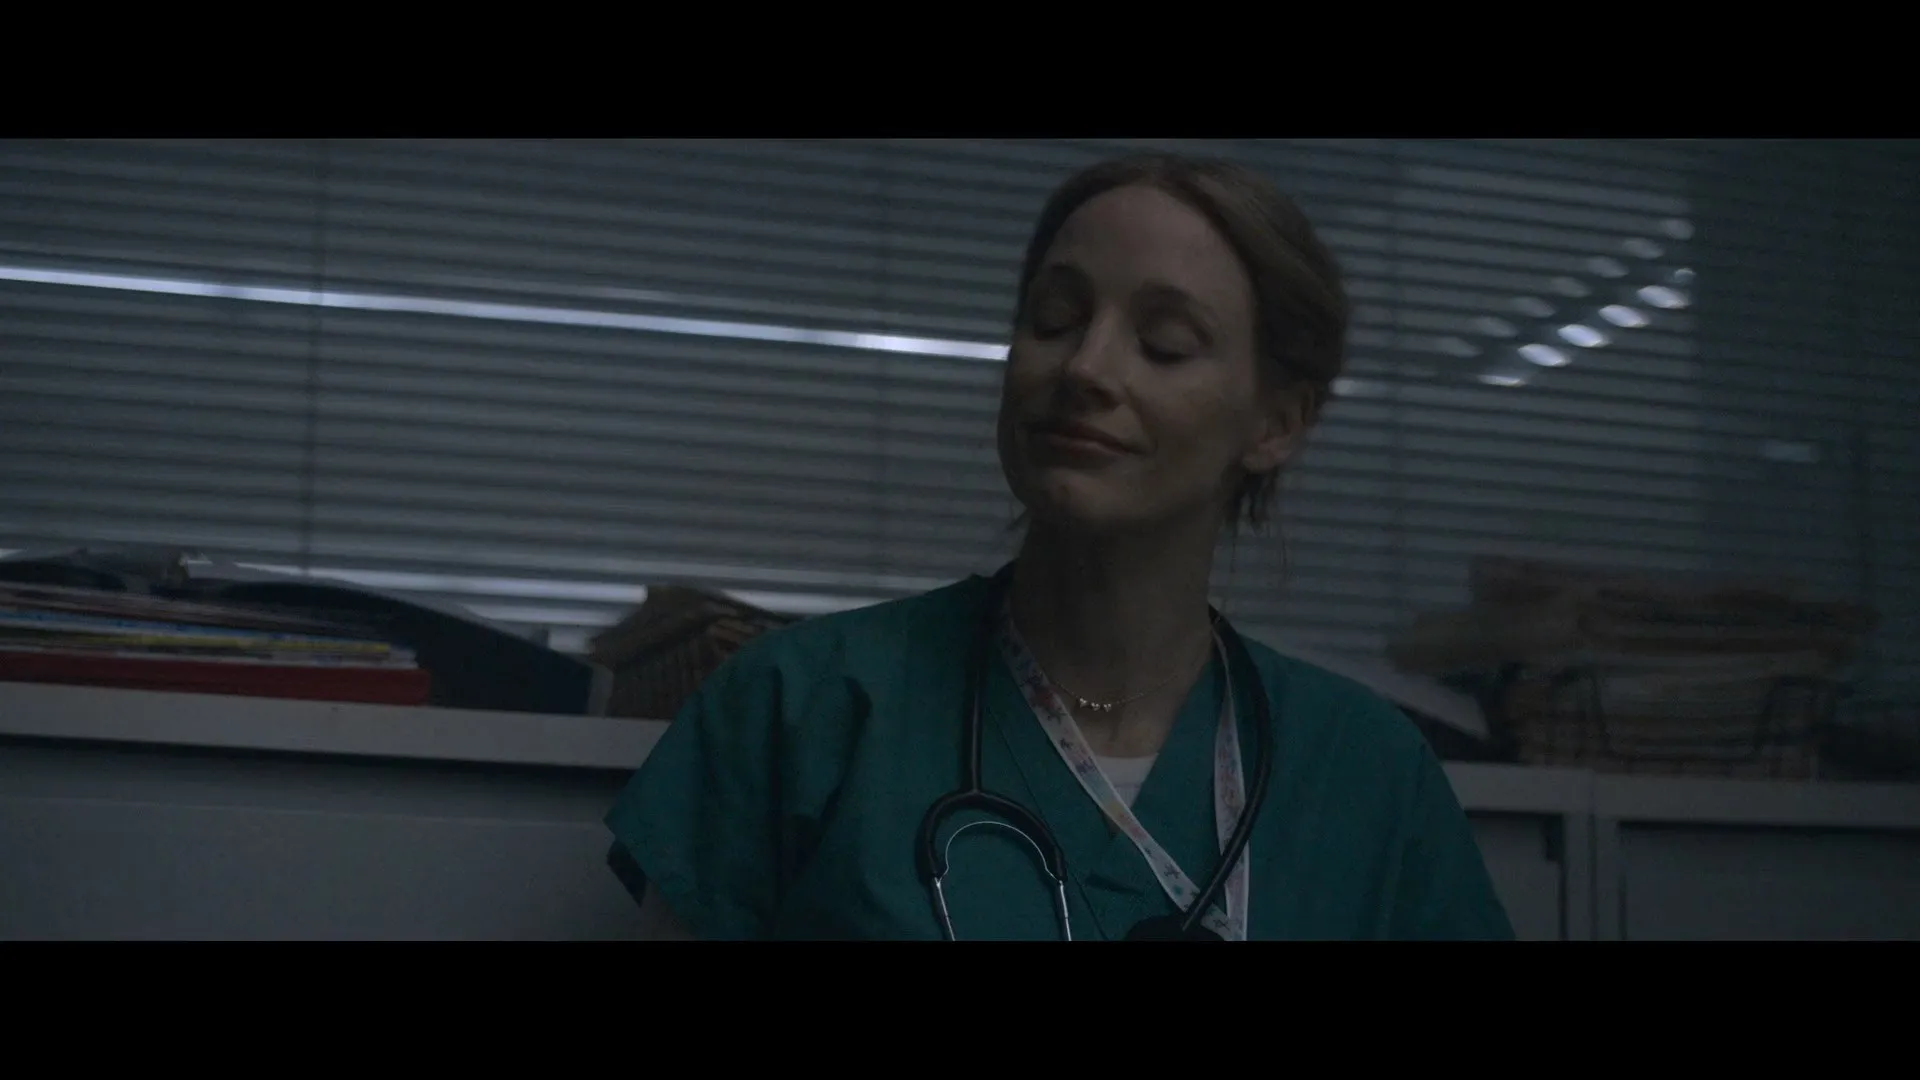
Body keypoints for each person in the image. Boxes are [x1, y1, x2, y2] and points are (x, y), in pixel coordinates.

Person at [605, 153, 1515, 941]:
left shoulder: (1365, 776)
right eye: (1053, 319)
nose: (1085, 368)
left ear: (1276, 422)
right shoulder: (800, 713)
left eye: (1163, 344)